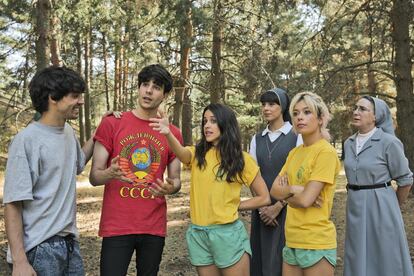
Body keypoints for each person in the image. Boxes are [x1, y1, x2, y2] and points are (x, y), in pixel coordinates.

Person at [149, 103, 271, 276]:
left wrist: (235, 206)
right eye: (205, 121)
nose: (207, 125)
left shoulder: (242, 159)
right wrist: (168, 133)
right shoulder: (198, 154)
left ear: (225, 123)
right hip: (198, 234)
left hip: (227, 234)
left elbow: (264, 197)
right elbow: (182, 154)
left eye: (213, 121)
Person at [89, 64, 183, 276]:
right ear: (139, 88)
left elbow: (176, 180)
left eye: (156, 87)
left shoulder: (172, 133)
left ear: (165, 94)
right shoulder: (113, 123)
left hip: (153, 225)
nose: (148, 90)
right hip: (118, 224)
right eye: (144, 84)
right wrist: (109, 174)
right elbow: (95, 176)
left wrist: (170, 187)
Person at [3, 66, 94, 275]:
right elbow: (13, 204)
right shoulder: (27, 141)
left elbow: (77, 164)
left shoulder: (68, 133)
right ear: (53, 97)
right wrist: (19, 261)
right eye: (74, 96)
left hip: (69, 243)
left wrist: (99, 133)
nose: (81, 101)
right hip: (39, 247)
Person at [270, 91, 340, 276]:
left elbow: (305, 201)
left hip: (316, 242)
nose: (300, 117)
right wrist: (294, 189)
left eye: (307, 112)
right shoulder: (295, 153)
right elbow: (274, 191)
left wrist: (290, 193)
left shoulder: (325, 153)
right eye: (295, 113)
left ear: (320, 119)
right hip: (292, 240)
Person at [343, 96, 413, 276]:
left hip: (382, 204)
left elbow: (405, 179)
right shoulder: (349, 143)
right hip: (355, 205)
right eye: (355, 108)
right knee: (356, 252)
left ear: (376, 116)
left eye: (363, 109)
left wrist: (392, 206)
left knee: (384, 253)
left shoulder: (389, 142)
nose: (356, 112)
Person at [249, 88, 301, 276]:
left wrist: (278, 206)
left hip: (288, 208)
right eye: (263, 104)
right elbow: (252, 176)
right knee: (260, 259)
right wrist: (263, 207)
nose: (266, 108)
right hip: (261, 208)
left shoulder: (296, 136)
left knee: (282, 260)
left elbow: (298, 177)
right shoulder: (256, 139)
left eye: (271, 104)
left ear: (283, 107)